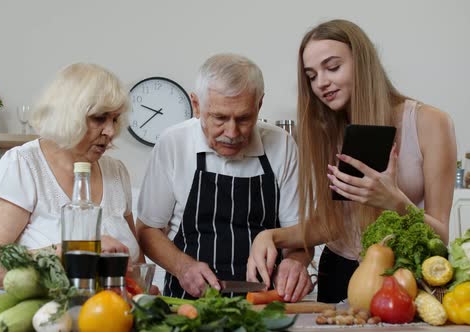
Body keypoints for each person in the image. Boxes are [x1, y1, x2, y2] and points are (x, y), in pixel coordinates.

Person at [247, 19, 457, 303]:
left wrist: (395, 202)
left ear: (363, 63)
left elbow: (441, 236)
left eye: (332, 67)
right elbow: (332, 226)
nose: (321, 82)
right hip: (339, 272)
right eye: (312, 75)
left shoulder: (429, 122)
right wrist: (271, 236)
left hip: (405, 277)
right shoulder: (326, 131)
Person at [136, 53, 313, 301]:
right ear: (196, 106)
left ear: (259, 105)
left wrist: (296, 262)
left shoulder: (282, 145)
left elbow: (300, 234)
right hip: (188, 305)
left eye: (243, 119)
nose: (232, 132)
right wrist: (183, 267)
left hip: (266, 303)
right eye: (219, 118)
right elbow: (147, 229)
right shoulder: (173, 143)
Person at [0, 63, 142, 288]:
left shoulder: (116, 172)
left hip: (108, 318)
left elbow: (136, 264)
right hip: (40, 319)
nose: (110, 131)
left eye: (115, 119)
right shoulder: (22, 165)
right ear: (68, 115)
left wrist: (142, 289)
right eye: (99, 118)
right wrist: (75, 250)